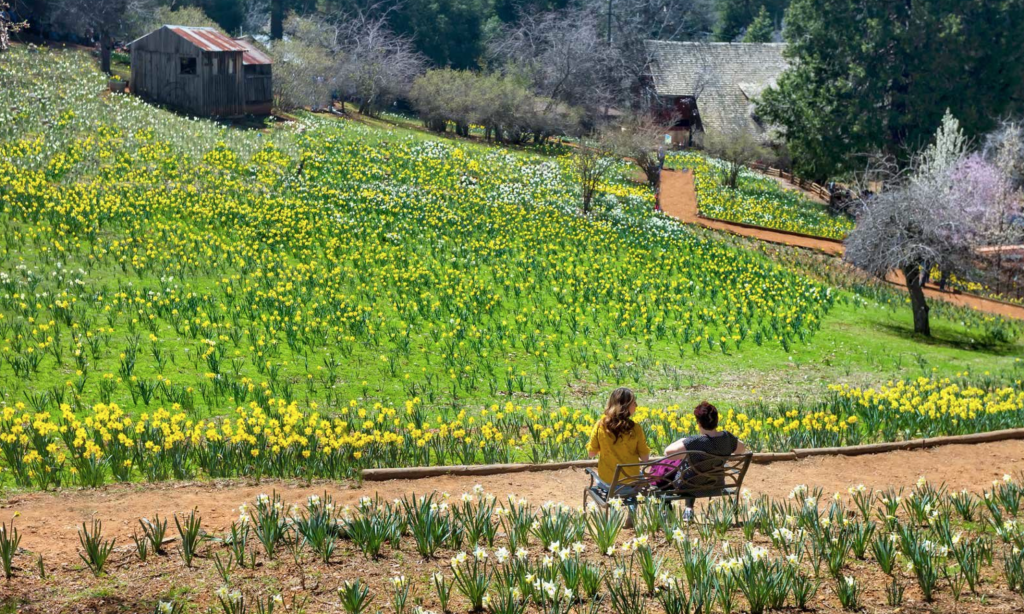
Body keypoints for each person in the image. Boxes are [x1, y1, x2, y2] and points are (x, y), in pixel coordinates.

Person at [663, 401, 747, 521]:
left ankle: (674, 513)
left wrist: (683, 440)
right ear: (716, 421)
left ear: (698, 423)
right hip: (716, 483)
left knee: (668, 474)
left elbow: (668, 453)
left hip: (689, 485)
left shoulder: (694, 441)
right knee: (692, 470)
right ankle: (688, 509)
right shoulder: (726, 438)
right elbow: (741, 449)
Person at [587, 387, 650, 498]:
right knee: (640, 478)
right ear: (625, 406)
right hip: (630, 483)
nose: (636, 405)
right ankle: (631, 513)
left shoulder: (600, 425)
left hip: (607, 483)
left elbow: (591, 453)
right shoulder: (636, 429)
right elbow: (645, 458)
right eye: (634, 402)